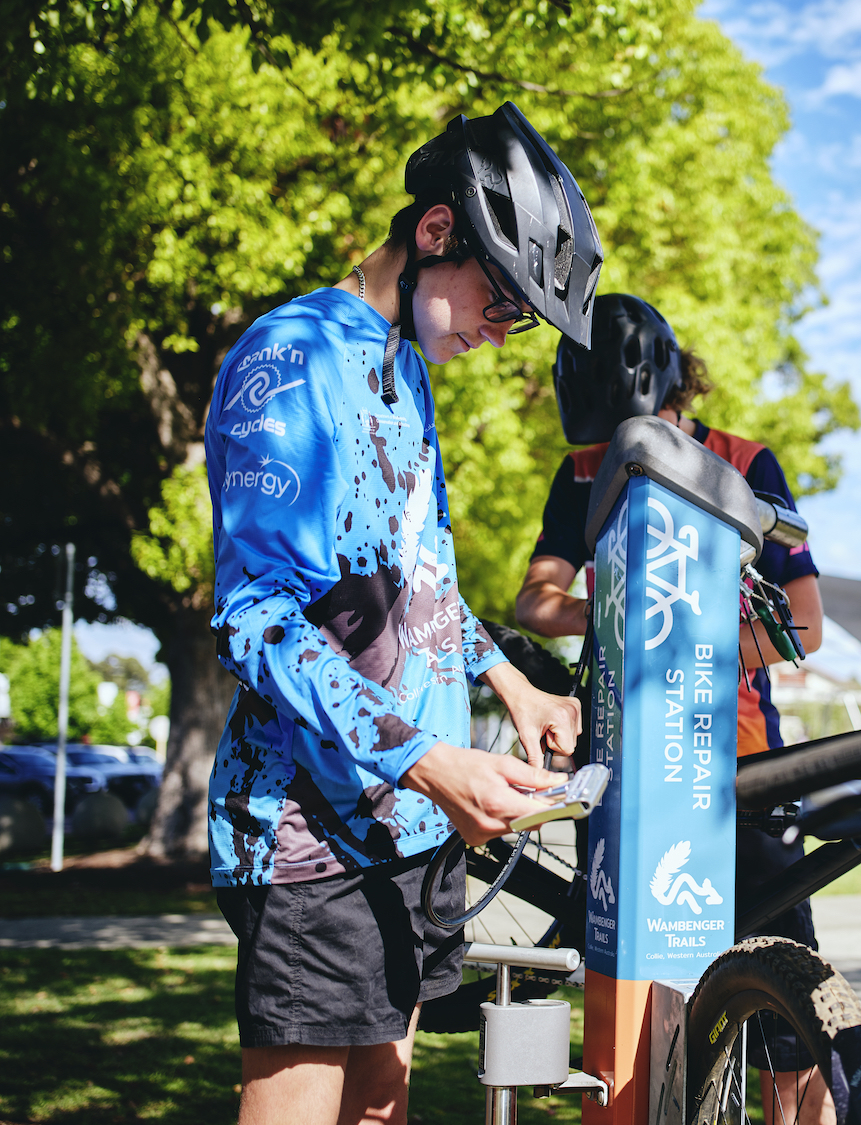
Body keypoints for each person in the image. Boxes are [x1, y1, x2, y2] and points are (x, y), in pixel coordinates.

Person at [205, 103, 601, 1125]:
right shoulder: (289, 361)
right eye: (502, 301)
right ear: (436, 233)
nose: (503, 331)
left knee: (384, 1105)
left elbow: (415, 587)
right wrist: (432, 761)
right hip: (309, 834)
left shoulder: (406, 374)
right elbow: (258, 620)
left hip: (410, 827)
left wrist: (519, 687)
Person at [514, 293, 833, 1124]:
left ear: (668, 388)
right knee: (632, 981)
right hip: (626, 770)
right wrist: (615, 614)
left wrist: (697, 642)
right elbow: (534, 599)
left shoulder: (745, 459)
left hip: (738, 760)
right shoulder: (583, 468)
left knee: (787, 995)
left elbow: (804, 625)